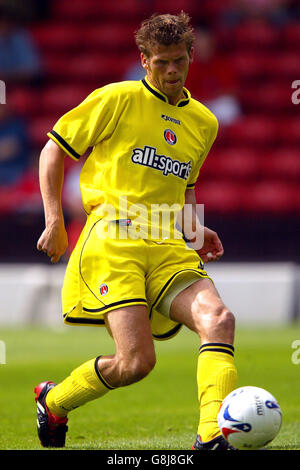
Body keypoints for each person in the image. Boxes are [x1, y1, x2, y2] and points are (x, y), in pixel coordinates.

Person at [35, 12, 237, 450]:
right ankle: (54, 402)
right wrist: (53, 220)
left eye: (178, 61)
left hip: (167, 242)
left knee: (219, 320)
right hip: (114, 237)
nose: (170, 70)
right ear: (144, 60)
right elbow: (53, 151)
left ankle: (211, 437)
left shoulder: (204, 122)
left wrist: (196, 227)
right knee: (136, 363)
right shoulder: (117, 98)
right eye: (161, 61)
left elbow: (183, 185)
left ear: (190, 57)